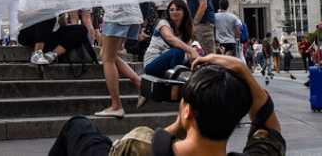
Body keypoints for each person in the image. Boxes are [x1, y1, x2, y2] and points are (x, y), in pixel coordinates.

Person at [47, 54, 285, 156]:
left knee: (77, 126)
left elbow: (134, 146)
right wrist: (242, 69)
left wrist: (178, 126)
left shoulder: (138, 145)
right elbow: (271, 131)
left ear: (188, 110)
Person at [24, 0, 92, 65]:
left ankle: (52, 55)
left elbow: (59, 22)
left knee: (81, 29)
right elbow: (20, 17)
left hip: (49, 34)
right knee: (47, 14)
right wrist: (40, 13)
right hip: (29, 33)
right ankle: (37, 53)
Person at [141, 0, 200, 82]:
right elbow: (170, 38)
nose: (174, 12)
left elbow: (189, 54)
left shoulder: (186, 30)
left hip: (171, 65)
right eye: (171, 10)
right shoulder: (163, 23)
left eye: (178, 9)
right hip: (152, 64)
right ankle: (174, 82)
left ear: (185, 12)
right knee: (178, 51)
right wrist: (191, 50)